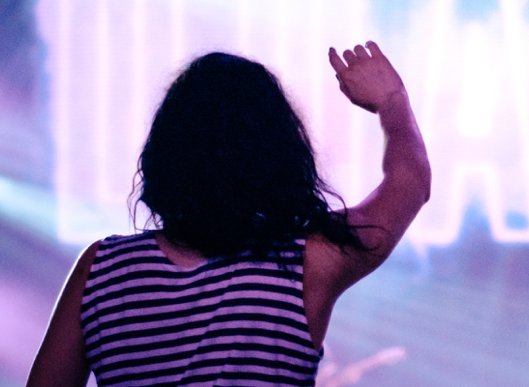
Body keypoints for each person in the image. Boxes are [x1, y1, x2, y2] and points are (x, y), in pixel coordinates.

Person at [26, 42, 430, 387]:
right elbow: (409, 183)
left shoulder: (101, 268)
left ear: (166, 155)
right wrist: (392, 102)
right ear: (278, 156)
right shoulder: (307, 263)